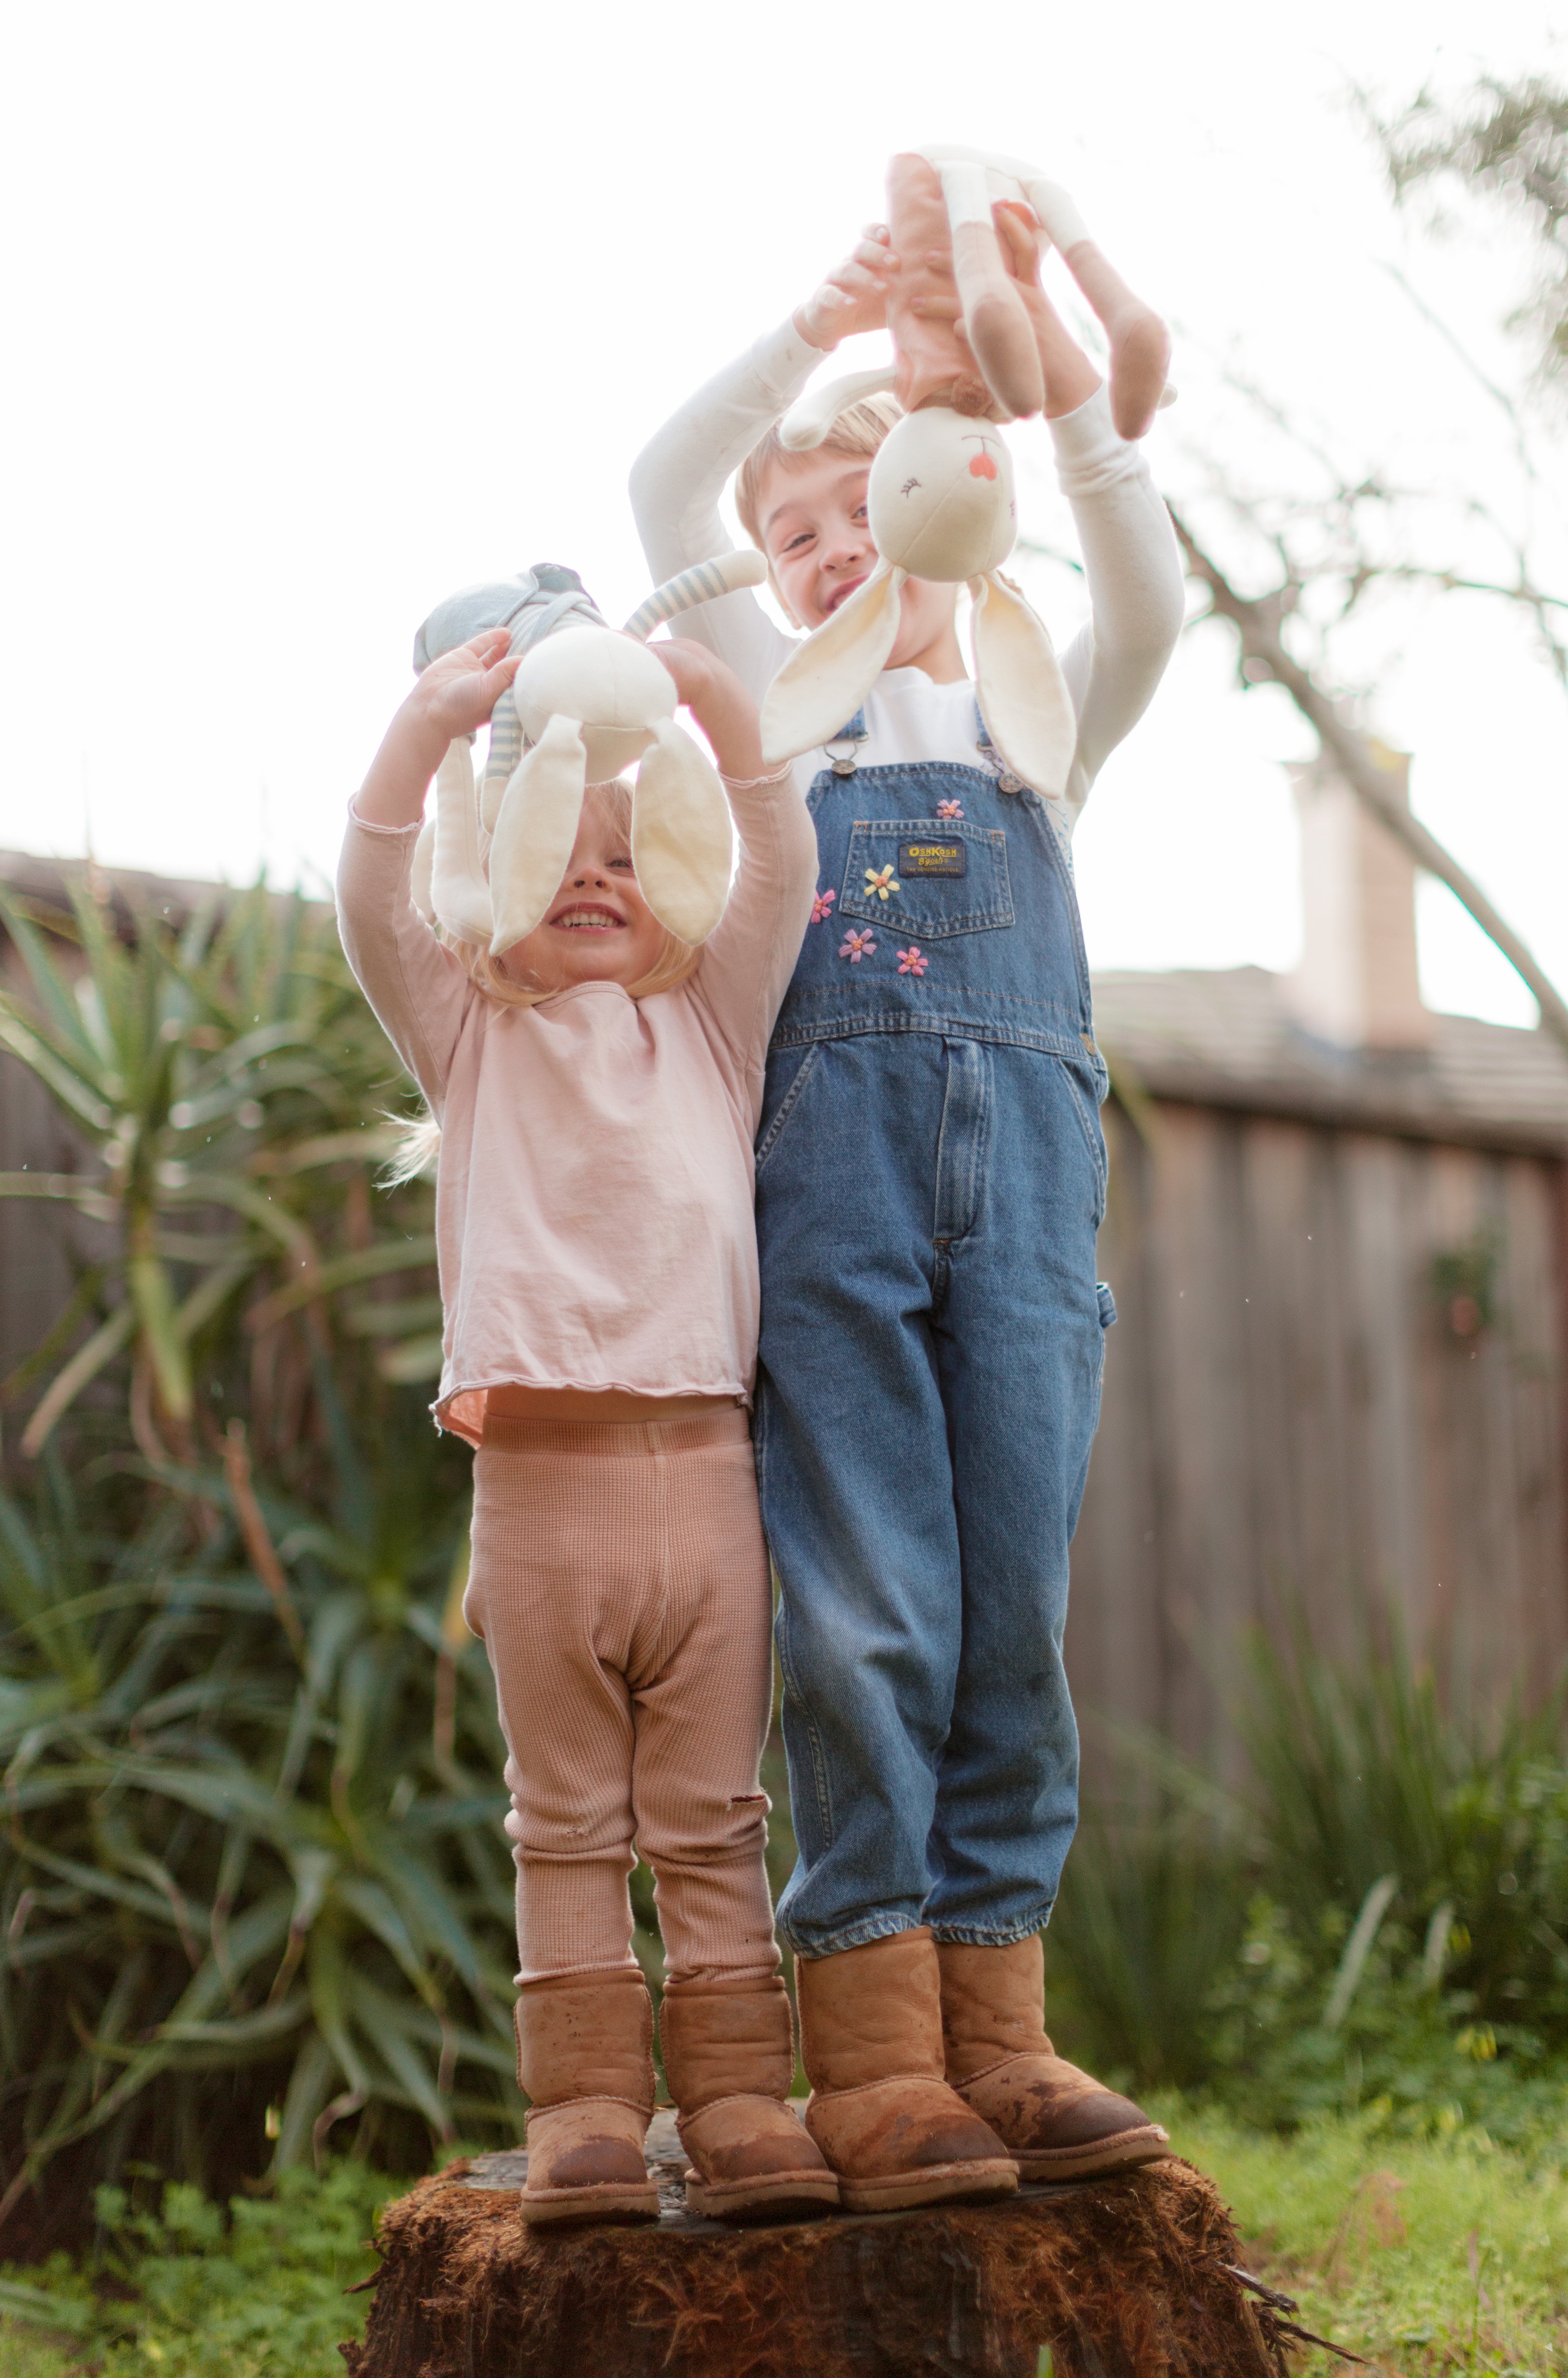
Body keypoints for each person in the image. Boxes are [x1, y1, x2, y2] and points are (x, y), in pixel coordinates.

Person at [628, 205, 1185, 2212]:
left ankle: (1000, 2034)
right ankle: (868, 2046)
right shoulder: (775, 732)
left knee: (1010, 1612)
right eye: (796, 538)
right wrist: (821, 324)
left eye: (866, 507)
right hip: (835, 1209)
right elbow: (662, 485)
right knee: (867, 1613)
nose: (829, 547)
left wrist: (1055, 407)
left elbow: (1148, 579)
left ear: (959, 511)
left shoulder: (1053, 725)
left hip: (1030, 1215)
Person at [336, 618, 834, 2229]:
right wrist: (434, 722)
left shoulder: (712, 1021)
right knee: (563, 1824)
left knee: (709, 1821)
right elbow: (371, 885)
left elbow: (777, 847)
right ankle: (587, 2118)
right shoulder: (472, 1028)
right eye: (560, 846)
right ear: (501, 869)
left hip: (707, 1484)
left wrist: (715, 706)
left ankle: (745, 2100)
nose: (596, 876)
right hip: (540, 1497)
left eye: (631, 851)